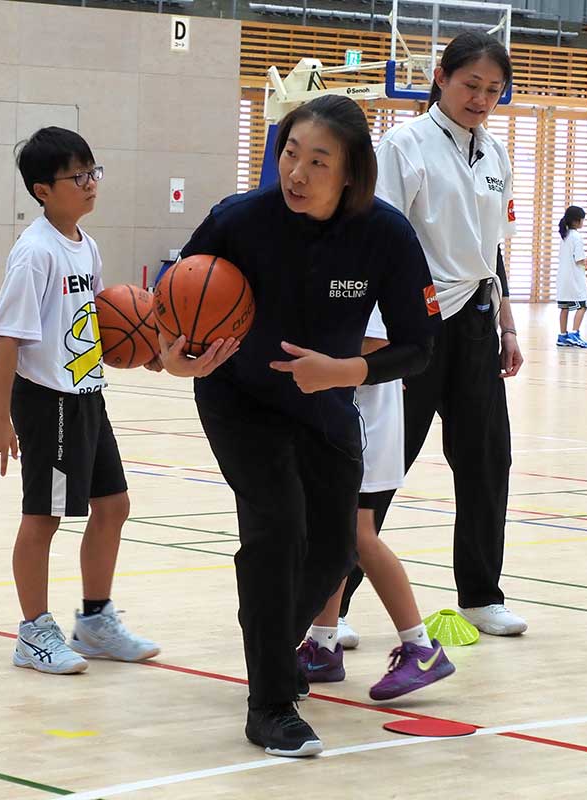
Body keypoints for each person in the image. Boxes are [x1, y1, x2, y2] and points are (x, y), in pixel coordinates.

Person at [161, 95, 440, 757]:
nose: (298, 172)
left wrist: (343, 373)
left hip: (326, 404)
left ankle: (268, 639)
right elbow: (176, 302)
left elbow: (419, 345)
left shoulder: (387, 235)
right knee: (278, 529)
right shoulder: (237, 220)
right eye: (291, 153)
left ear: (350, 172)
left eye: (318, 161)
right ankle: (271, 707)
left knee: (337, 551)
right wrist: (174, 357)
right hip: (241, 398)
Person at [338, 32, 528, 638]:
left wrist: (506, 324)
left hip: (474, 321)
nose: (481, 98)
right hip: (412, 326)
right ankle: (330, 605)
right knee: (381, 467)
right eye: (471, 84)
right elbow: (380, 238)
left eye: (493, 90)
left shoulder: (495, 156)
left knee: (486, 460)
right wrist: (374, 333)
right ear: (441, 77)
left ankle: (480, 594)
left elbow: (489, 250)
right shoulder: (403, 145)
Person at [0, 127, 160, 676]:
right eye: (76, 176)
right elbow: (8, 338)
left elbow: (99, 325)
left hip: (86, 394)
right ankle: (33, 633)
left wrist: (145, 349)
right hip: (47, 400)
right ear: (42, 189)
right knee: (45, 517)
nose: (89, 184)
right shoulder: (34, 253)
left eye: (92, 172)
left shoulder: (87, 244)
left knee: (114, 505)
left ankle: (96, 622)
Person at [296, 307, 455, 702]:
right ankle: (323, 646)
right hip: (346, 417)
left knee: (357, 535)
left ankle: (420, 649)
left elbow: (375, 343)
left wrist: (309, 362)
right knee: (334, 532)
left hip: (366, 424)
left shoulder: (361, 266)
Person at [556, 205, 587, 348]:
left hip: (563, 278)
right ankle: (575, 334)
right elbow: (579, 259)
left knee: (564, 308)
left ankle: (563, 336)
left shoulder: (565, 236)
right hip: (574, 279)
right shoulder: (576, 237)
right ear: (577, 221)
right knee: (582, 305)